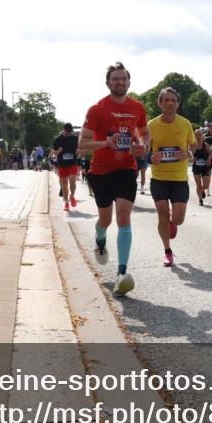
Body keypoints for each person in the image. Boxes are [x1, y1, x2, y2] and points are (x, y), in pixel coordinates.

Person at [80, 62, 149, 296]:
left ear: (129, 82)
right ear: (108, 83)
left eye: (123, 78)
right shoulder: (96, 109)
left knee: (123, 217)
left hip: (126, 169)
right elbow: (82, 144)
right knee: (105, 220)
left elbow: (144, 133)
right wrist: (104, 143)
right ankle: (100, 239)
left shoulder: (137, 107)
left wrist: (143, 146)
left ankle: (121, 274)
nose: (120, 82)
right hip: (100, 171)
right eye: (115, 79)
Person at [148, 87, 196, 267]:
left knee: (179, 219)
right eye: (166, 100)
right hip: (159, 178)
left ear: (178, 104)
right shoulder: (151, 125)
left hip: (179, 179)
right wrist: (150, 157)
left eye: (173, 100)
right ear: (160, 103)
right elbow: (143, 150)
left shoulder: (185, 123)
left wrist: (188, 154)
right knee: (161, 214)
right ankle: (167, 251)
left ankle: (172, 222)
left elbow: (193, 146)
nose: (169, 103)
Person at [52, 123, 80, 211]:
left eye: (70, 131)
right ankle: (66, 202)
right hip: (62, 164)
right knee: (64, 183)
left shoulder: (75, 138)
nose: (69, 133)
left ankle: (72, 196)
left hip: (73, 163)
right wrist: (58, 151)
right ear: (63, 130)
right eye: (67, 131)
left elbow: (79, 149)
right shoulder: (58, 139)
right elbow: (53, 153)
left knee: (72, 181)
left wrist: (78, 151)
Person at [191, 129, 212, 206]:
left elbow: (211, 154)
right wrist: (192, 159)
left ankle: (201, 190)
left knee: (206, 185)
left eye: (199, 135)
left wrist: (209, 159)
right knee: (198, 184)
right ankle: (200, 199)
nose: (198, 136)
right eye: (196, 135)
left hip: (205, 167)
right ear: (194, 136)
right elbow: (191, 156)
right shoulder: (193, 145)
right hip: (196, 167)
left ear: (202, 136)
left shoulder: (206, 145)